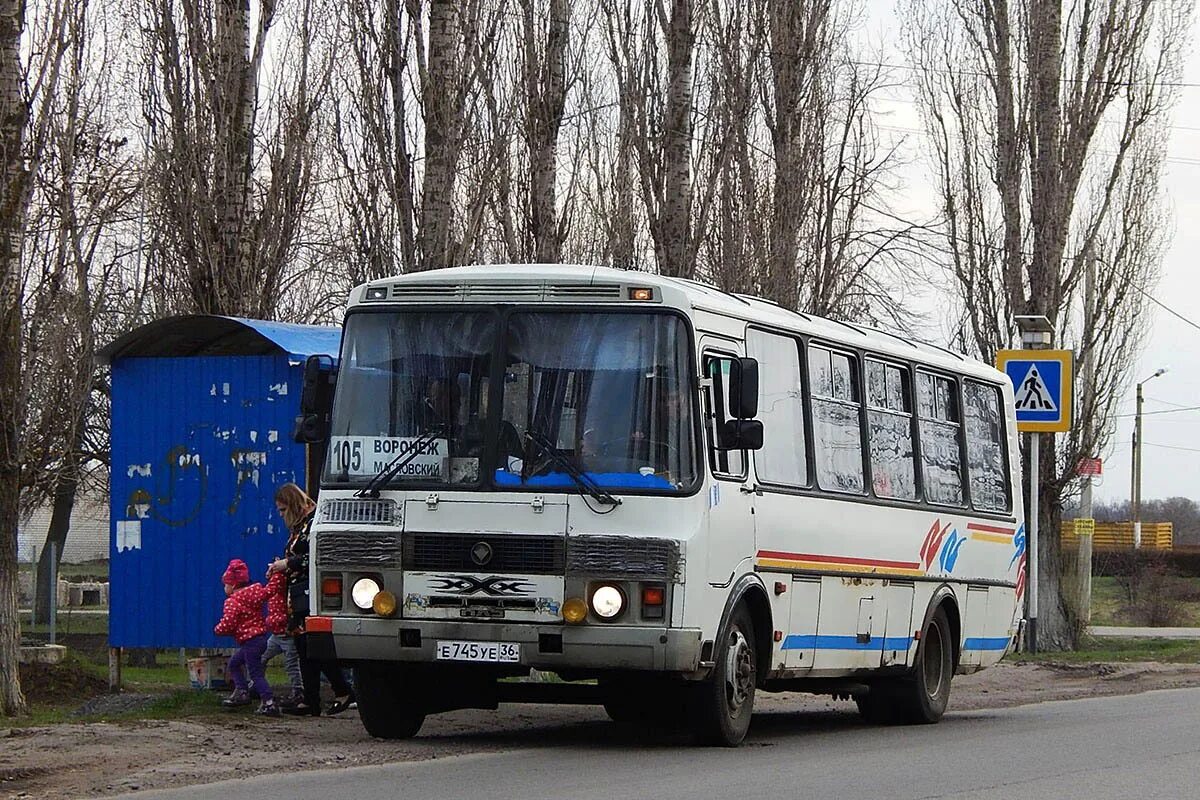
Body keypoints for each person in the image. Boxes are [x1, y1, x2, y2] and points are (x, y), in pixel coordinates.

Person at [269, 483, 355, 717]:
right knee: (303, 645)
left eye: (282, 510)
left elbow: (318, 555)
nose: (280, 515)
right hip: (296, 593)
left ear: (293, 505)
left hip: (311, 591)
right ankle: (311, 700)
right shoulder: (298, 527)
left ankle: (342, 690)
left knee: (313, 645)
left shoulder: (313, 523)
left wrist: (288, 564)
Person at [213, 558, 283, 716]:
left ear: (233, 585)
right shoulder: (256, 593)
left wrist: (218, 629)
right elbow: (271, 589)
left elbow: (228, 623)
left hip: (249, 642)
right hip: (260, 639)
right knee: (234, 664)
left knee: (255, 674)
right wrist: (277, 572)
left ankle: (268, 702)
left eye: (226, 584)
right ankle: (242, 691)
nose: (225, 587)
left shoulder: (232, 602)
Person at [261, 560, 304, 708]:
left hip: (286, 634)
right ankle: (257, 684)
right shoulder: (274, 593)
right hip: (275, 634)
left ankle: (298, 690)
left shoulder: (283, 591)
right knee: (262, 657)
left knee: (291, 664)